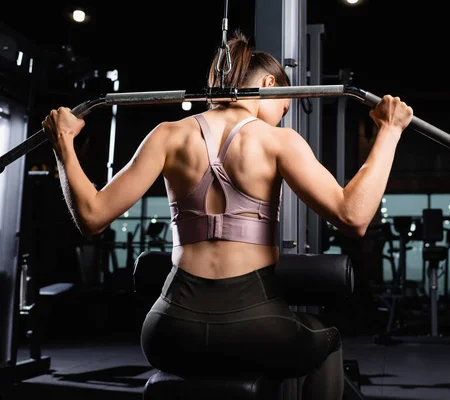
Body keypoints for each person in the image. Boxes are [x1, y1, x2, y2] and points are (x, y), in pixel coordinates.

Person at [41, 30, 413, 400]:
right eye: (282, 109)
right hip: (256, 329)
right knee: (325, 340)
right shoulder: (276, 141)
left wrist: (63, 146)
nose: (280, 119)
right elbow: (355, 215)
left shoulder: (168, 135)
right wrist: (390, 131)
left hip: (168, 331)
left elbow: (91, 216)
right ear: (269, 84)